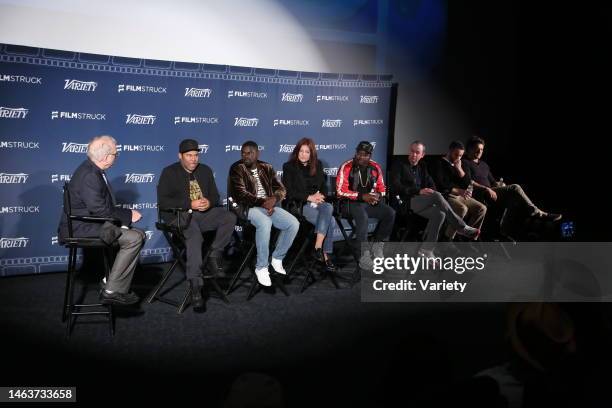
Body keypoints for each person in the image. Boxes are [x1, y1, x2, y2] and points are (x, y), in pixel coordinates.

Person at [58, 135, 145, 305]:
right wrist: (128, 215)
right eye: (115, 154)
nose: (116, 156)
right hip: (81, 227)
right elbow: (99, 209)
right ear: (106, 157)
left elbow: (100, 207)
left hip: (89, 222)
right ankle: (112, 291)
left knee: (140, 234)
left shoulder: (93, 170)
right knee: (134, 238)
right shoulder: (90, 175)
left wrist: (124, 218)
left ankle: (110, 281)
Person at [157, 139, 236, 312]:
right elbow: (163, 202)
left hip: (203, 214)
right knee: (194, 235)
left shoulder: (205, 170)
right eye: (189, 156)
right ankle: (196, 287)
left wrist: (209, 202)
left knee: (229, 217)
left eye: (196, 155)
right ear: (180, 156)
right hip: (179, 215)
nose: (193, 159)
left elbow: (215, 196)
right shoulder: (169, 172)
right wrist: (189, 204)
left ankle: (215, 255)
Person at [389, 141, 481, 256]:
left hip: (421, 201)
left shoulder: (422, 166)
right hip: (405, 202)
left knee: (440, 214)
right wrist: (418, 191)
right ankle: (461, 227)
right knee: (437, 196)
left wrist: (431, 193)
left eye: (417, 152)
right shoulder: (399, 164)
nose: (414, 155)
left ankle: (427, 250)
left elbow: (431, 184)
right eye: (412, 151)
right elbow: (395, 186)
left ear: (422, 155)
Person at [228, 140, 299, 286]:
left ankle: (277, 258)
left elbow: (281, 189)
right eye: (243, 153)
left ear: (257, 153)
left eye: (250, 152)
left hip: (268, 206)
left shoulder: (267, 167)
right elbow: (241, 194)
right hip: (246, 208)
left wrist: (274, 199)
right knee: (265, 222)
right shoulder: (237, 168)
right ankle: (261, 267)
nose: (246, 155)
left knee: (293, 223)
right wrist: (264, 202)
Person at [463, 136, 562, 236]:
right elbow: (468, 181)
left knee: (514, 197)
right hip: (478, 193)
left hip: (491, 191)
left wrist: (499, 184)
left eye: (482, 149)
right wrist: (486, 188)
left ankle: (504, 231)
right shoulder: (465, 162)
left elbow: (493, 182)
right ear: (470, 148)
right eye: (477, 149)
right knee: (515, 188)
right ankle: (538, 213)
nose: (480, 151)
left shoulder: (484, 165)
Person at [336, 141, 395, 269]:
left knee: (390, 213)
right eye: (359, 154)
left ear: (370, 155)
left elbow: (382, 188)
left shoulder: (375, 167)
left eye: (365, 155)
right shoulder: (346, 167)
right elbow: (340, 191)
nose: (361, 157)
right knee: (362, 215)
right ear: (356, 153)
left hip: (368, 203)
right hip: (349, 204)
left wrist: (378, 196)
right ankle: (364, 255)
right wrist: (362, 196)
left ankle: (377, 245)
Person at [282, 138, 337, 272]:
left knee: (328, 207)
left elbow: (323, 186)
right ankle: (326, 255)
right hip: (300, 205)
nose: (303, 154)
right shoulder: (289, 167)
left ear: (311, 154)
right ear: (297, 151)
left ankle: (317, 247)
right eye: (301, 151)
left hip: (317, 202)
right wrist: (309, 197)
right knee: (332, 221)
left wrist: (321, 196)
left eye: (307, 152)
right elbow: (289, 192)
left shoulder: (317, 165)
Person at [430, 141, 486, 240]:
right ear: (450, 151)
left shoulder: (460, 164)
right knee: (462, 208)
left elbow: (468, 182)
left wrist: (459, 169)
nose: (458, 157)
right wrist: (458, 191)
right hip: (447, 196)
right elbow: (440, 185)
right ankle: (447, 239)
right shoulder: (438, 163)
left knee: (481, 208)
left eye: (460, 155)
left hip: (461, 195)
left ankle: (466, 238)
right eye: (456, 154)